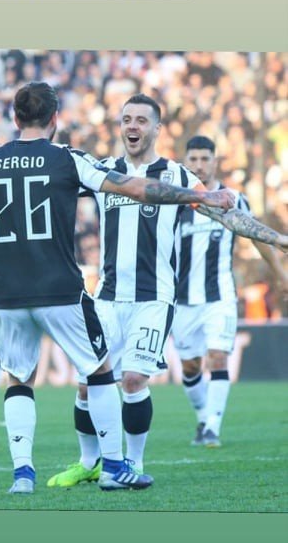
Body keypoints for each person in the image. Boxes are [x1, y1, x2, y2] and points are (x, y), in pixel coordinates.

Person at [0, 82, 234, 495]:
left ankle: (23, 475)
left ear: (15, 118)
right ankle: (113, 467)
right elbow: (138, 188)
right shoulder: (68, 158)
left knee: (18, 379)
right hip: (60, 289)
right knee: (100, 372)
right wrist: (201, 194)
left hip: (7, 293)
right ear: (54, 119)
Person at [48, 98, 288, 488]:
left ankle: (133, 462)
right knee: (87, 384)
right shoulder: (104, 171)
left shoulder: (176, 174)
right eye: (127, 119)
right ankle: (89, 461)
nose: (133, 126)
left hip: (153, 298)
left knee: (133, 381)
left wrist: (276, 237)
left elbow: (225, 214)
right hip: (107, 296)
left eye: (141, 120)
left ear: (157, 129)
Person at [172, 135, 288, 447]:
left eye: (204, 159)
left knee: (218, 358)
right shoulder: (176, 202)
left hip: (220, 296)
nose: (199, 165)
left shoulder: (233, 198)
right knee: (190, 367)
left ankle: (212, 427)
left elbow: (257, 238)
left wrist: (281, 275)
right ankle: (203, 417)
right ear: (186, 162)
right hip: (182, 299)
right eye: (193, 159)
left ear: (215, 161)